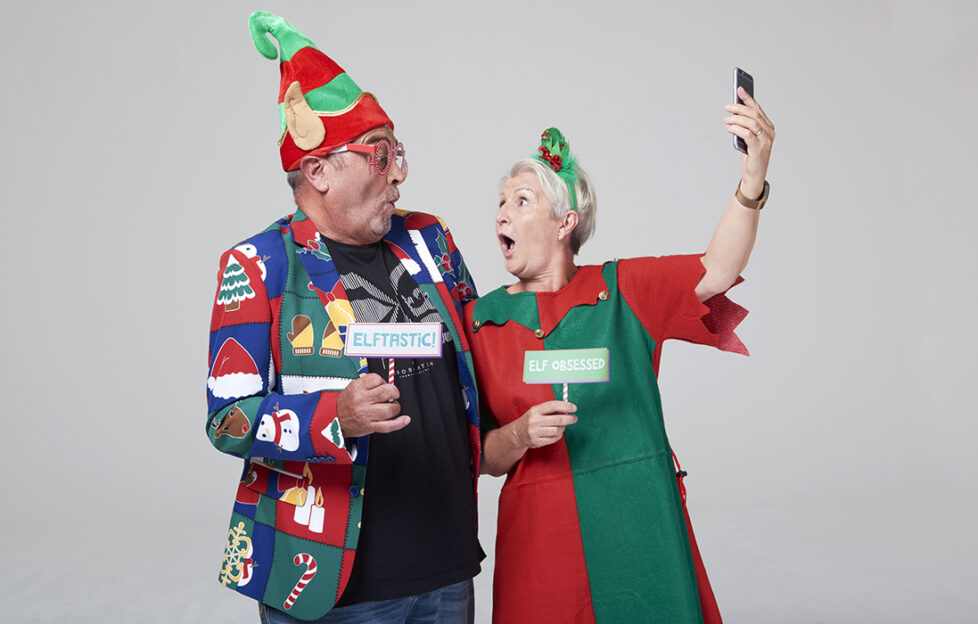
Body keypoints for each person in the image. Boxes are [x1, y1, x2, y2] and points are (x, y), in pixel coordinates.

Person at [206, 12, 482, 623]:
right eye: (380, 156)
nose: (400, 174)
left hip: (446, 566)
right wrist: (338, 416)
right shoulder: (259, 266)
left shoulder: (429, 240)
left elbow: (481, 343)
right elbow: (227, 419)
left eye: (398, 153)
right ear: (319, 171)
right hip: (332, 582)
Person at [463, 98, 774, 623]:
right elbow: (485, 457)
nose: (502, 213)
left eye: (521, 200)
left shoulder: (625, 289)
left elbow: (718, 268)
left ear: (566, 221)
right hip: (540, 538)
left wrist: (753, 181)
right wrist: (520, 433)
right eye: (500, 203)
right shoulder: (480, 322)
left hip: (637, 524)